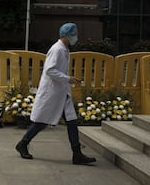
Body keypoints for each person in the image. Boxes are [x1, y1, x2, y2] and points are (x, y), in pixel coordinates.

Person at [15, 22, 96, 165]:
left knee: (72, 121)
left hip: (61, 93)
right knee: (41, 122)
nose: (75, 37)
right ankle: (23, 143)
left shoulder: (64, 49)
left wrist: (67, 79)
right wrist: (68, 78)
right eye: (74, 35)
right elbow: (49, 70)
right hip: (53, 93)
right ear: (67, 35)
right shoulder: (57, 49)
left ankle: (77, 154)